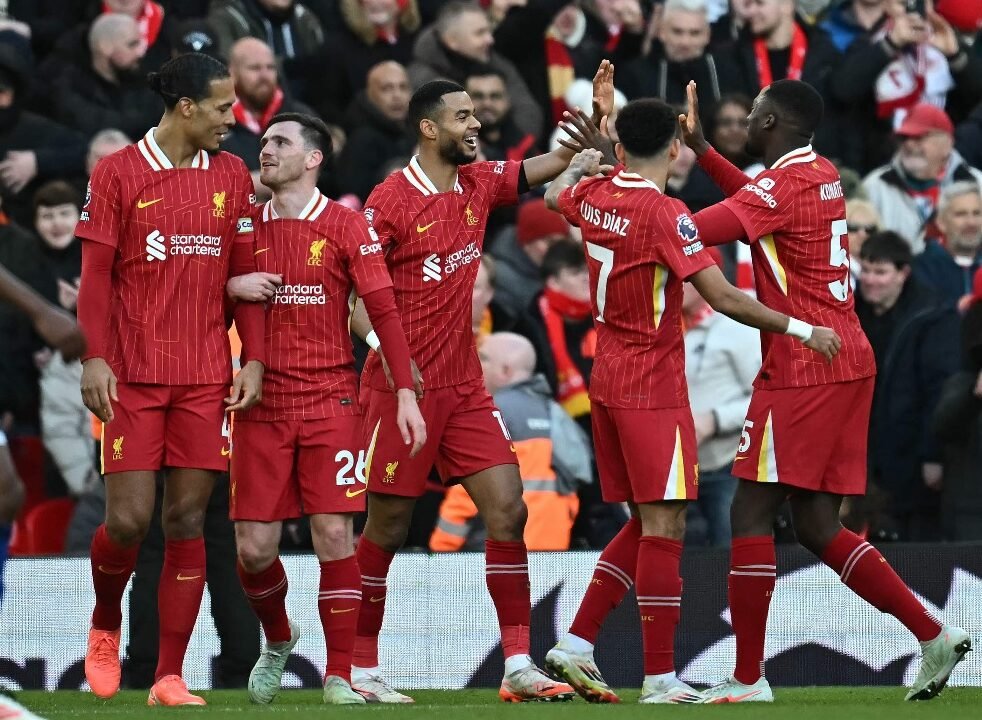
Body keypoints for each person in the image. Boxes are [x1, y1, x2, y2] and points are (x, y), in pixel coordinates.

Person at [676, 77, 970, 701]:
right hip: (845, 357)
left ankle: (747, 677)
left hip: (803, 366)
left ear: (770, 123)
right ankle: (933, 634)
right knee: (814, 524)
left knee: (749, 511)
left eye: (753, 112)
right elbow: (756, 201)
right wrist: (702, 150)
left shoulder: (781, 187)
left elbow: (693, 231)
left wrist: (630, 209)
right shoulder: (820, 172)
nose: (745, 120)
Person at [542, 97, 838, 705]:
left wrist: (580, 167)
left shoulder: (596, 194)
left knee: (645, 520)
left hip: (608, 378)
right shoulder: (665, 212)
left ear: (620, 149)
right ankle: (658, 677)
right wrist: (803, 329)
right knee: (667, 523)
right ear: (675, 149)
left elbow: (552, 198)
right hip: (652, 385)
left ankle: (577, 641)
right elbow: (722, 297)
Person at [348, 75, 611, 703]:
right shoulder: (391, 200)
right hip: (400, 389)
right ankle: (357, 667)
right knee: (386, 528)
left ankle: (517, 662)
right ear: (428, 127)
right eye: (462, 116)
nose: (475, 124)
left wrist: (580, 145)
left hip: (465, 386)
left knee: (509, 510)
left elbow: (532, 170)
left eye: (475, 115)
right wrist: (396, 363)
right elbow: (358, 304)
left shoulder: (477, 182)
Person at [75, 53, 264, 706]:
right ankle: (105, 621)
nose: (232, 118)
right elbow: (95, 277)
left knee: (187, 518)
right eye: (222, 106)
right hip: (132, 374)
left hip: (205, 375)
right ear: (186, 107)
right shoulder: (118, 172)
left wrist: (254, 357)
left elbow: (244, 275)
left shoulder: (232, 174)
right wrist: (93, 357)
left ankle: (168, 676)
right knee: (129, 522)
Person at [224, 112, 425, 705]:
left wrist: (405, 389)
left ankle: (339, 675)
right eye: (264, 141)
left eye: (280, 142)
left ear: (313, 158)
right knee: (253, 550)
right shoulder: (241, 224)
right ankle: (278, 637)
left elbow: (381, 305)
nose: (266, 150)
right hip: (260, 400)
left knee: (335, 534)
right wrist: (230, 286)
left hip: (330, 396)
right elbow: (196, 289)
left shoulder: (345, 223)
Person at [430, 331, 592, 551]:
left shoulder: (490, 414)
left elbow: (464, 496)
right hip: (551, 553)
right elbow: (575, 491)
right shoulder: (558, 415)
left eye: (483, 358)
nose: (474, 366)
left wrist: (442, 549)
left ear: (505, 371)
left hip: (495, 551)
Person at [856, 231, 960, 541]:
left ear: (903, 273)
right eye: (866, 270)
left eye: (880, 272)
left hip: (910, 454)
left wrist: (932, 455)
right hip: (862, 451)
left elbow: (939, 392)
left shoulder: (932, 316)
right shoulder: (850, 313)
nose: (870, 280)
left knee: (914, 543)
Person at [682, 253, 760, 547]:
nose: (672, 286)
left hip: (728, 466)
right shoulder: (665, 327)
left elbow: (767, 399)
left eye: (684, 279)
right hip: (678, 468)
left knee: (729, 554)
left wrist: (714, 420)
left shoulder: (738, 327)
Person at [407, 1, 543, 140]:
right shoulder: (422, 77)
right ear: (452, 41)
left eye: (489, 31)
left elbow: (527, 111)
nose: (490, 39)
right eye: (480, 33)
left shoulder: (496, 63)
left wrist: (513, 145)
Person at [863, 104, 982, 252]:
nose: (909, 144)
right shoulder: (875, 186)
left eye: (919, 138)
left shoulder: (977, 183)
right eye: (904, 138)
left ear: (947, 143)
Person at [49, 13, 162, 139]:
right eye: (131, 45)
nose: (140, 53)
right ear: (105, 47)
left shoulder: (145, 80)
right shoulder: (71, 86)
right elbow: (96, 125)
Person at [337, 61, 415, 202]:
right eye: (387, 89)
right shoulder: (361, 140)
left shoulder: (417, 130)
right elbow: (355, 196)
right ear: (370, 94)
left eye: (403, 87)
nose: (397, 95)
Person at [489, 198, 570, 324]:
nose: (556, 250)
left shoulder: (552, 268)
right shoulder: (500, 279)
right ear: (527, 242)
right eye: (549, 242)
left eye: (561, 243)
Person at [914, 181, 982, 307]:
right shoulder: (921, 269)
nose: (971, 222)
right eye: (961, 214)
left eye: (977, 213)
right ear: (941, 223)